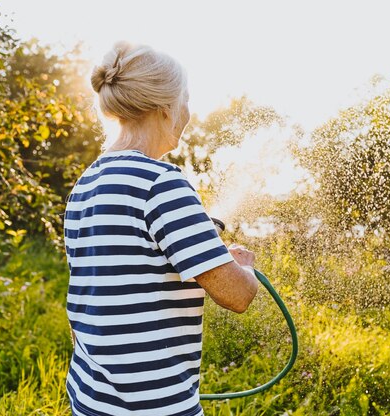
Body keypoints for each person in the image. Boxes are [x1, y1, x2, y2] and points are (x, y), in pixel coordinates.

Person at [63, 41, 259, 416]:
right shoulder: (160, 182)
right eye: (186, 99)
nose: (189, 111)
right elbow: (236, 295)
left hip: (90, 400)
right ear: (167, 108)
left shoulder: (85, 184)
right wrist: (243, 265)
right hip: (155, 406)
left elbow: (110, 286)